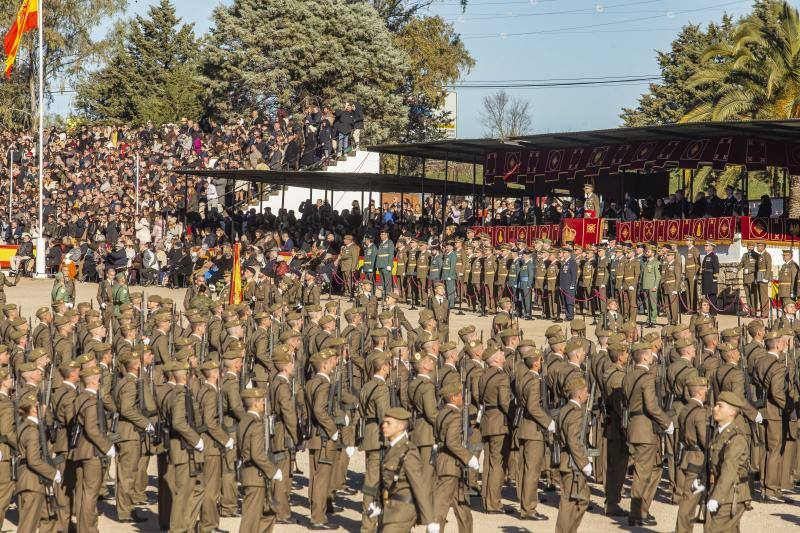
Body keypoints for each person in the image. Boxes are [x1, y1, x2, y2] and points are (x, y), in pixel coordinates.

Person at [374, 407, 439, 533]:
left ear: (400, 426)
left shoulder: (408, 452)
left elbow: (420, 486)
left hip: (403, 511)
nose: (384, 426)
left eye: (389, 423)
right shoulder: (393, 448)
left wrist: (430, 520)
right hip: (390, 510)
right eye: (384, 422)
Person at [237, 387, 281, 533]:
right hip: (256, 476)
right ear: (255, 403)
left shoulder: (243, 421)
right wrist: (273, 471)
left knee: (268, 513)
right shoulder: (256, 424)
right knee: (251, 518)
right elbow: (257, 454)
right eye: (262, 401)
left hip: (250, 474)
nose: (264, 404)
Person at [701, 241, 720, 313]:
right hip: (706, 279)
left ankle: (713, 312)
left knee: (712, 296)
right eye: (705, 245)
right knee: (707, 296)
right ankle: (707, 311)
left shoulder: (714, 256)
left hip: (711, 279)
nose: (705, 247)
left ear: (712, 247)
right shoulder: (706, 256)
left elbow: (716, 268)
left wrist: (715, 278)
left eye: (707, 245)